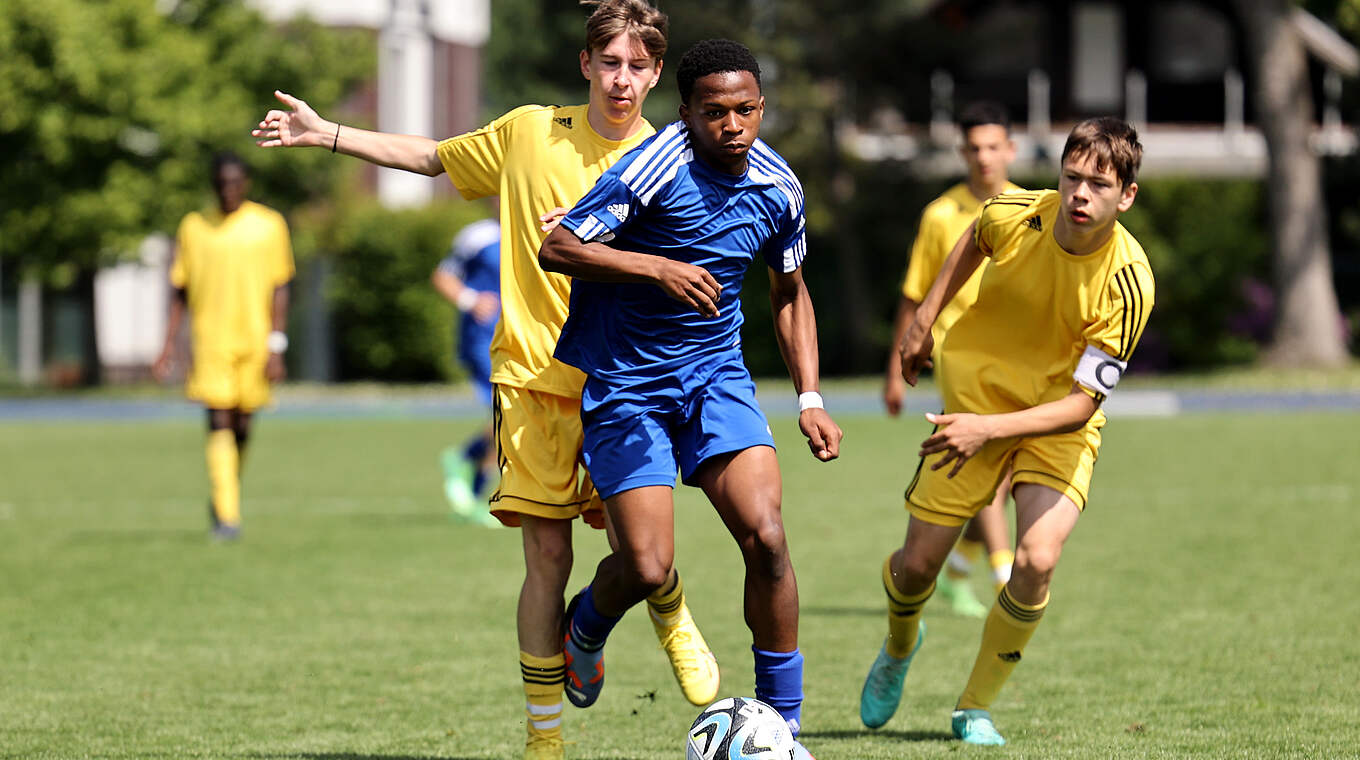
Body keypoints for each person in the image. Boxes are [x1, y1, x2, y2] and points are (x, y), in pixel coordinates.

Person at [251, 3, 719, 758]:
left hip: (624, 382)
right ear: (586, 64)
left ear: (657, 73)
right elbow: (432, 157)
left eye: (638, 66)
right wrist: (327, 133)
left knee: (645, 554)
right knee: (548, 559)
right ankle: (545, 740)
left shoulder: (669, 159)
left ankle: (665, 612)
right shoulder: (530, 130)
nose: (622, 79)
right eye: (610, 63)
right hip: (531, 378)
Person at [539, 39, 843, 757]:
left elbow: (790, 293)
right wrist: (657, 268)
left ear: (762, 108)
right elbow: (560, 246)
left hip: (715, 378)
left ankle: (782, 727)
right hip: (626, 384)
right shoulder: (656, 165)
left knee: (767, 538)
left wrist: (810, 398)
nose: (731, 125)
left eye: (744, 110)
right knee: (647, 567)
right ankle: (584, 624)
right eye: (714, 112)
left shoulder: (780, 189)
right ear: (685, 114)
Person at [859, 117, 1154, 746]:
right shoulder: (1017, 213)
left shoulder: (1129, 282)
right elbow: (973, 238)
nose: (1079, 194)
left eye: (1098, 185)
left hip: (1052, 422)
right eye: (1072, 177)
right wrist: (923, 322)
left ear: (1125, 195)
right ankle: (899, 644)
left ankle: (974, 706)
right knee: (915, 570)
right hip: (975, 395)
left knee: (1036, 560)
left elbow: (1080, 406)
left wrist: (988, 431)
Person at [883, 101, 1021, 618]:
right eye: (975, 148)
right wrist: (895, 372)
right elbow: (915, 296)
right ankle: (1005, 573)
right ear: (963, 152)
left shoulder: (1032, 211)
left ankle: (957, 569)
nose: (984, 157)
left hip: (1017, 361)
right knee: (988, 460)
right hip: (957, 357)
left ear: (1010, 150)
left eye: (993, 146)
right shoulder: (941, 215)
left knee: (1002, 468)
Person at [153, 151, 294, 542]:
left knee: (243, 424)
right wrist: (167, 345)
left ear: (245, 184)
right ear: (212, 184)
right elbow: (179, 289)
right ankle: (227, 515)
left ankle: (224, 491)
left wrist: (276, 346)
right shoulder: (194, 227)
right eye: (220, 183)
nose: (227, 190)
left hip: (255, 340)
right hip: (211, 341)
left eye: (234, 183)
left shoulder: (269, 225)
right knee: (217, 419)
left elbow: (281, 286)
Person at [432, 216, 502, 527]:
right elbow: (443, 276)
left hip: (520, 339)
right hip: (483, 339)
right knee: (508, 414)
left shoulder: (537, 228)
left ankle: (466, 462)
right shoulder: (478, 235)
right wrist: (470, 300)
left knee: (510, 418)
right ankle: (474, 490)